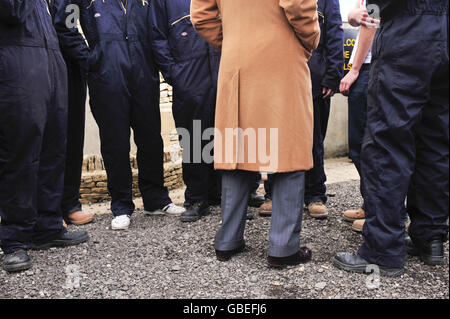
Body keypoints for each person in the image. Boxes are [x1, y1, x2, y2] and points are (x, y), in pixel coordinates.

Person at [191, 0, 320, 267]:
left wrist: (235, 41)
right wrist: (310, 40)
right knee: (288, 150)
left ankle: (228, 241)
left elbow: (201, 16)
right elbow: (297, 3)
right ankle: (283, 248)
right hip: (282, 56)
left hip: (236, 59)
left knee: (238, 150)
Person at [334, 0, 449, 276]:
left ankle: (382, 250)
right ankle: (430, 238)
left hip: (408, 32)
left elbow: (374, 10)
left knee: (387, 142)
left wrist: (359, 14)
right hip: (444, 30)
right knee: (435, 141)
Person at [73, 0, 185, 230]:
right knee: (115, 142)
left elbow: (157, 30)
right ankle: (121, 205)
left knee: (151, 137)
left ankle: (156, 199)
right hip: (107, 75)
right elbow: (65, 25)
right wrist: (89, 58)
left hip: (143, 72)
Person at [0, 0, 89, 273]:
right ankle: (14, 237)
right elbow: (10, 11)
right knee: (21, 149)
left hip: (51, 59)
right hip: (17, 59)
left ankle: (47, 225)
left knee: (54, 147)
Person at [257, 0, 344, 219]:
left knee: (313, 140)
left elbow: (334, 33)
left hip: (314, 78)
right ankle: (273, 194)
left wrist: (332, 75)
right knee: (274, 137)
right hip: (276, 76)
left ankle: (314, 195)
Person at [149, 0, 221, 223]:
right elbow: (157, 37)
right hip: (189, 75)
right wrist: (175, 74)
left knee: (225, 134)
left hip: (221, 69)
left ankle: (227, 196)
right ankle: (197, 198)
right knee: (193, 138)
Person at [49, 0, 94, 226]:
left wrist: (88, 60)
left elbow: (69, 25)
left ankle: (69, 204)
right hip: (47, 65)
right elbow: (65, 28)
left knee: (73, 137)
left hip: (72, 68)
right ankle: (51, 209)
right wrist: (92, 60)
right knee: (52, 140)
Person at [339, 0, 376, 232]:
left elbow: (370, 23)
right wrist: (354, 15)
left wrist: (354, 70)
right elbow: (358, 16)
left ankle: (381, 211)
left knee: (365, 145)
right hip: (370, 66)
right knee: (361, 145)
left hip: (371, 66)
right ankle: (371, 204)